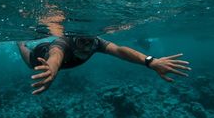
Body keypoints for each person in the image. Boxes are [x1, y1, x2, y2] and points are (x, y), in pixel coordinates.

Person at [17, 35, 191, 95]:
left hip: (55, 60)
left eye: (90, 41)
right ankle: (21, 44)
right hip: (42, 54)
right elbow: (56, 55)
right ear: (73, 39)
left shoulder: (96, 43)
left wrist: (150, 61)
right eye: (82, 41)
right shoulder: (62, 43)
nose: (87, 46)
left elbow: (119, 50)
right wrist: (51, 70)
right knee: (30, 64)